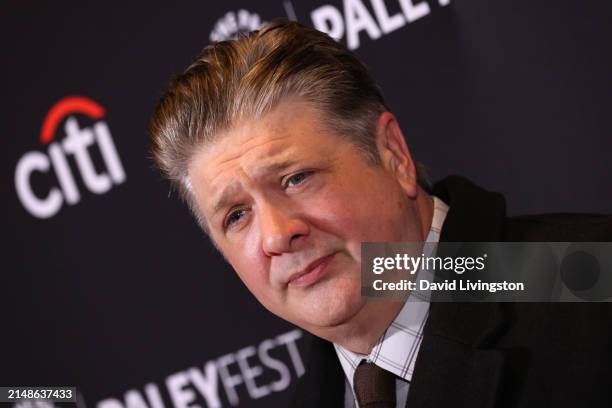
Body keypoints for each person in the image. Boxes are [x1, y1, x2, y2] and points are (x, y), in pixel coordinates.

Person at [149, 20, 612, 408]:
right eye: (236, 216)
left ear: (392, 154)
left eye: (296, 178)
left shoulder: (590, 284)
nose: (276, 235)